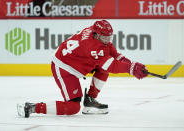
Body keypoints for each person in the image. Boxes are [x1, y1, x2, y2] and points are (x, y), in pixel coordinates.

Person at [17, 20, 148, 117]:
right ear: (96, 35)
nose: (107, 40)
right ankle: (33, 108)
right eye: (104, 37)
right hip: (63, 67)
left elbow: (114, 54)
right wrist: (131, 69)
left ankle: (90, 99)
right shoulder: (92, 46)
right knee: (73, 107)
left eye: (109, 37)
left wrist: (133, 64)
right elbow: (111, 65)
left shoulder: (96, 33)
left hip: (75, 61)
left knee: (103, 69)